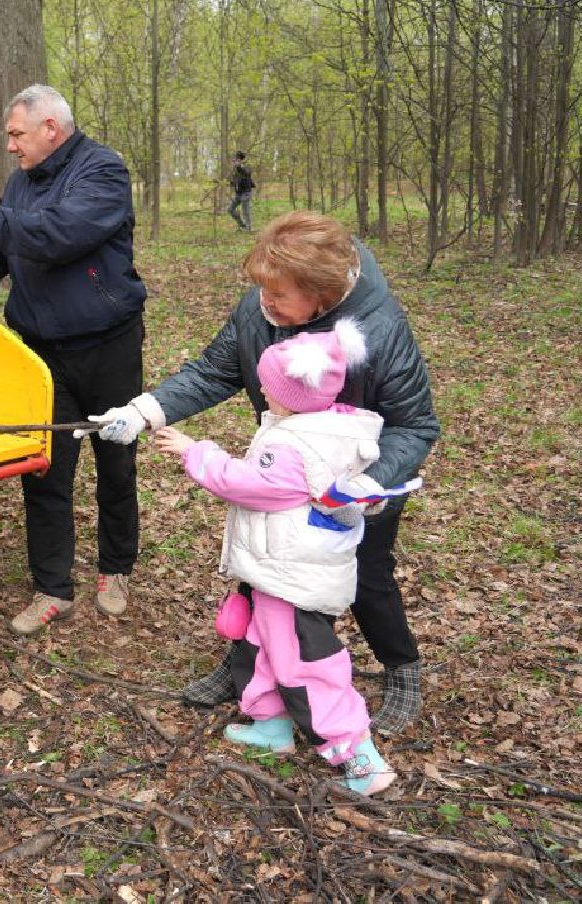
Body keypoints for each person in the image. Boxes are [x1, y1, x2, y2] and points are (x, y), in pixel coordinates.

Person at [86, 211, 437, 732]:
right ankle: (243, 668)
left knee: (367, 573)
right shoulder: (262, 308)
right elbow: (213, 371)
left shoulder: (379, 329)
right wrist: (143, 411)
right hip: (282, 471)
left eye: (279, 295)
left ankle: (401, 667)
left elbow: (415, 425)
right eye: (261, 290)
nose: (264, 303)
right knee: (262, 566)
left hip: (355, 486)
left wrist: (364, 483)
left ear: (321, 293)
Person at [154, 318, 419, 795]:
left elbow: (244, 484)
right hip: (283, 569)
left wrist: (196, 451)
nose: (260, 390)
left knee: (305, 663)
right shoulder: (331, 427)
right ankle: (270, 724)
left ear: (290, 397)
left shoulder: (292, 445)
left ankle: (357, 754)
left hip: (293, 577)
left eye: (267, 386)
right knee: (259, 646)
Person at [0, 84, 148, 634]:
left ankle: (115, 568)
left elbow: (60, 234)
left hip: (108, 345)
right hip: (42, 354)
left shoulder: (103, 173)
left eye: (16, 134)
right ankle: (52, 586)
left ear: (50, 129)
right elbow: (3, 241)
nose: (11, 145)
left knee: (116, 458)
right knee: (45, 469)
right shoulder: (20, 181)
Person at [228, 151, 255, 231]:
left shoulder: (247, 167)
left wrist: (239, 166)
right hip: (238, 194)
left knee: (245, 211)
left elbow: (246, 174)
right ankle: (242, 225)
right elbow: (234, 181)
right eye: (234, 159)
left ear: (240, 160)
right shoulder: (235, 169)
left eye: (236, 159)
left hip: (246, 193)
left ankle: (248, 228)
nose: (234, 161)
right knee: (230, 209)